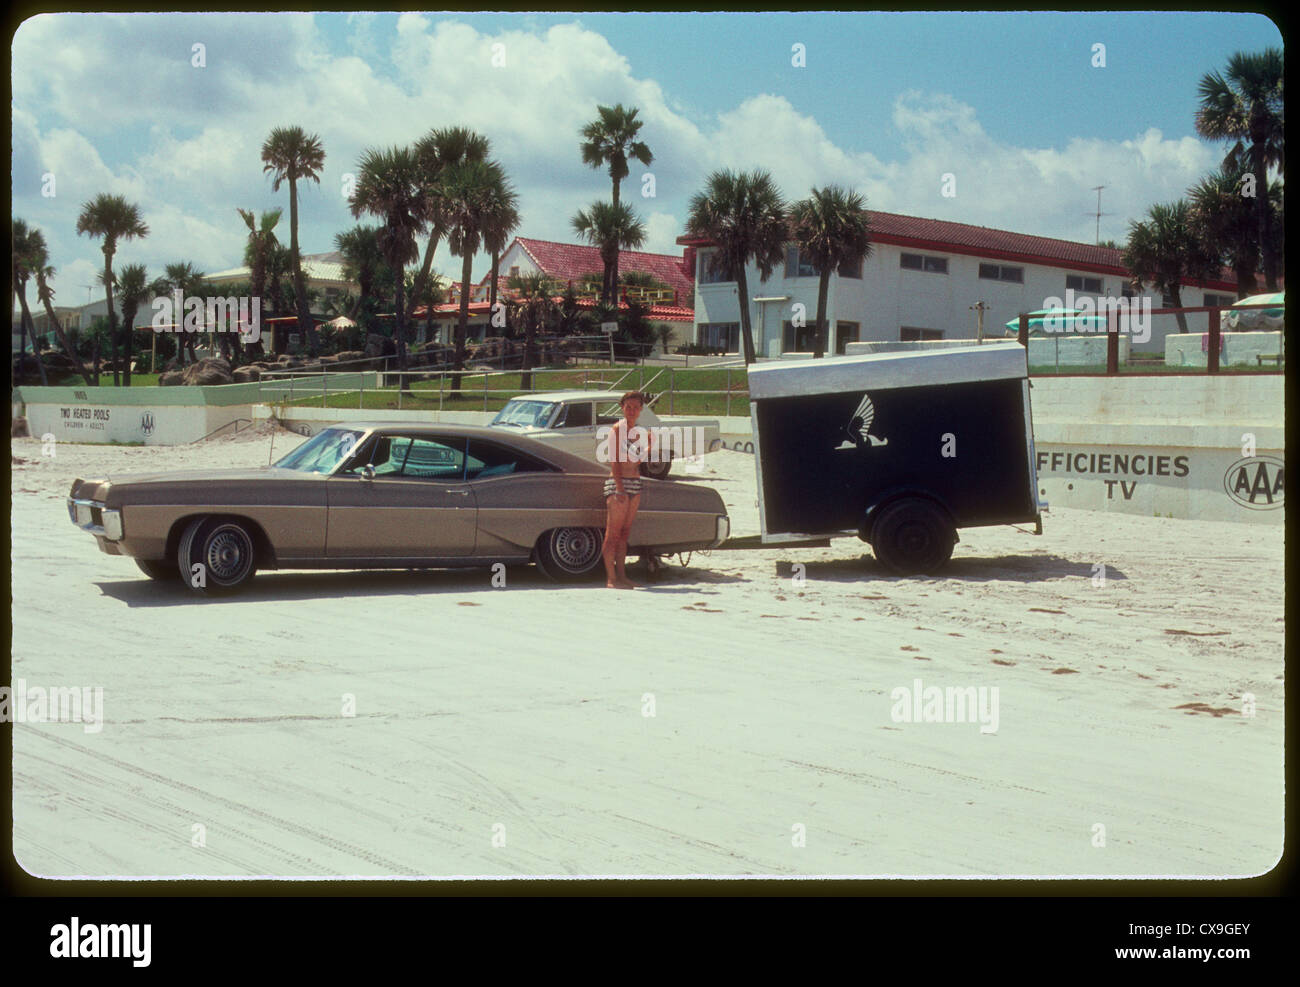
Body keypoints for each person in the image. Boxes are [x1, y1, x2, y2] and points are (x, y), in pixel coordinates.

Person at [602, 390, 653, 589]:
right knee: (612, 533)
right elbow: (615, 461)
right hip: (618, 484)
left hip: (635, 483)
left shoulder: (639, 432)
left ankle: (622, 576)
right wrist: (620, 488)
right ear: (622, 408)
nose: (632, 411)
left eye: (635, 407)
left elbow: (636, 461)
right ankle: (611, 578)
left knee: (624, 533)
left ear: (641, 409)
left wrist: (649, 447)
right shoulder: (617, 429)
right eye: (628, 407)